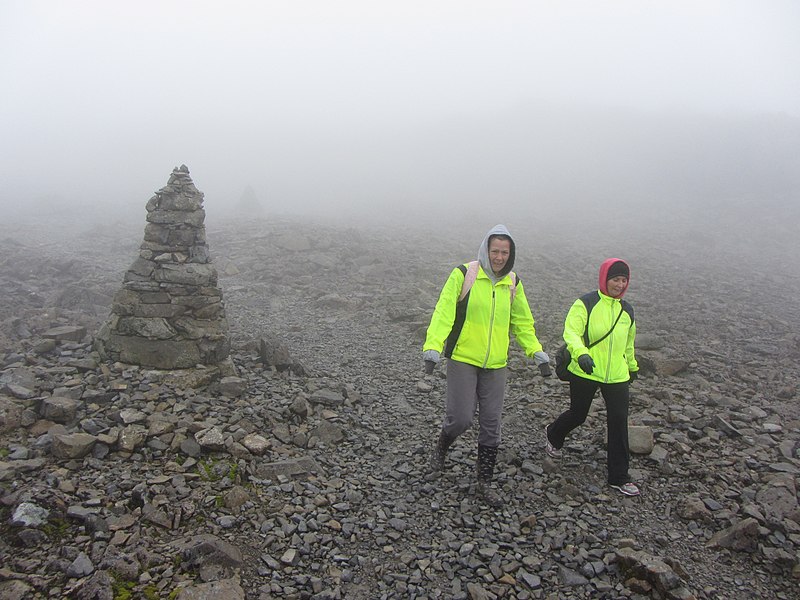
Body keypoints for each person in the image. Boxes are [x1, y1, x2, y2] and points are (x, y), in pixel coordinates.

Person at [422, 224, 550, 508]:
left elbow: (522, 323)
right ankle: (440, 450)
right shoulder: (464, 275)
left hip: (496, 364)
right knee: (461, 418)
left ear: (511, 253)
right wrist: (433, 345)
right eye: (495, 251)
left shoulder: (513, 283)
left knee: (491, 425)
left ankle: (484, 482)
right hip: (463, 359)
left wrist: (536, 351)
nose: (500, 257)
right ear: (485, 250)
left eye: (505, 252)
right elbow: (443, 312)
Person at [543, 258, 641, 496]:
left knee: (618, 421)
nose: (619, 285)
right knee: (578, 414)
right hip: (585, 369)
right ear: (604, 278)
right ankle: (554, 434)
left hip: (617, 374)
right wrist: (581, 354)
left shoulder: (626, 310)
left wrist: (632, 366)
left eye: (623, 280)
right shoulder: (585, 303)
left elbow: (628, 342)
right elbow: (571, 333)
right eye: (615, 279)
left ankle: (619, 476)